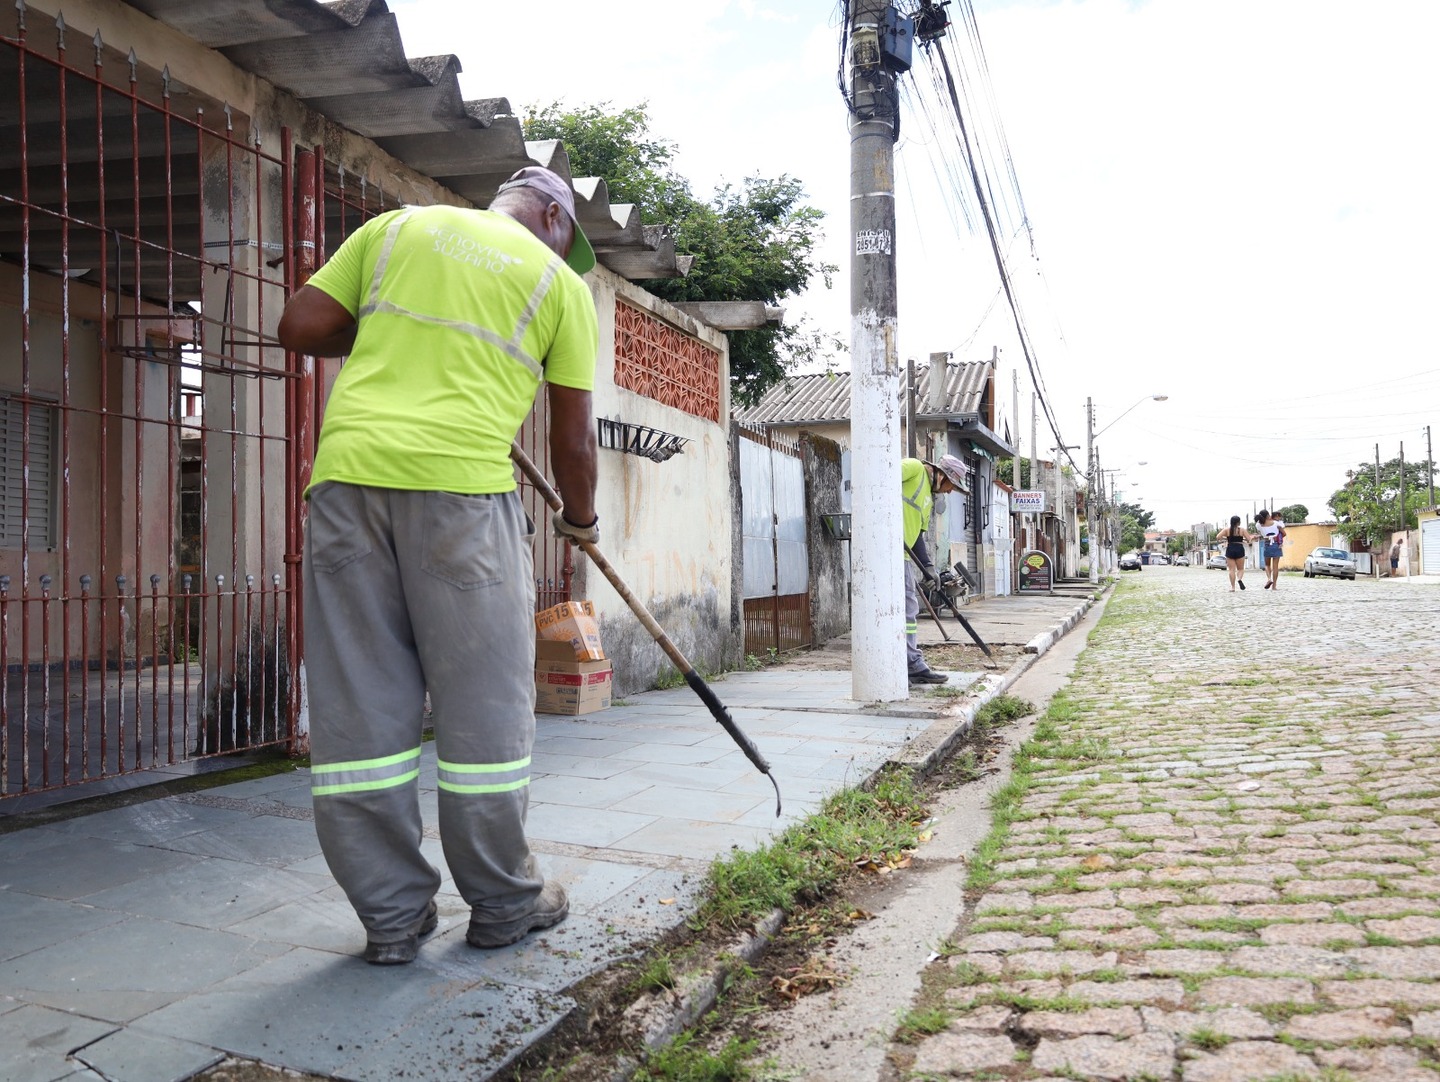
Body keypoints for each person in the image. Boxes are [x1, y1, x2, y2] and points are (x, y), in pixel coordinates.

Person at [277, 166, 600, 965]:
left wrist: (390, 336)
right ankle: (502, 903)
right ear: (554, 217)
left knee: (360, 714)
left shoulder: (395, 230)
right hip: (461, 497)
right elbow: (574, 439)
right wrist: (581, 520)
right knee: (483, 709)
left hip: (348, 488)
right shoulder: (559, 286)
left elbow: (300, 326)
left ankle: (390, 919)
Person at [901, 455, 967, 684]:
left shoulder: (928, 499)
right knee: (902, 611)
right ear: (943, 475)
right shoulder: (912, 468)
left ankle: (911, 663)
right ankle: (906, 664)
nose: (950, 492)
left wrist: (928, 566)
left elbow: (917, 535)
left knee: (908, 611)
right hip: (884, 553)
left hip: (903, 557)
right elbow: (877, 485)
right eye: (952, 485)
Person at [1220, 515, 1252, 592]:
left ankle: (1233, 587)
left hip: (1230, 548)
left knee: (1231, 570)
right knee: (1240, 569)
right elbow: (1249, 539)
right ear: (1238, 522)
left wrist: (1226, 538)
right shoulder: (1242, 530)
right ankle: (1239, 579)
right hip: (1239, 548)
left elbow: (1218, 537)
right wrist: (1244, 541)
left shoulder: (1227, 530)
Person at [1256, 509, 1285, 589]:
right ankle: (1274, 586)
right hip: (1276, 544)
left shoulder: (1258, 525)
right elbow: (1284, 533)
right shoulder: (1276, 523)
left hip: (1267, 544)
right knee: (1275, 566)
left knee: (1267, 564)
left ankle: (1269, 579)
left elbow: (1260, 530)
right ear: (1268, 516)